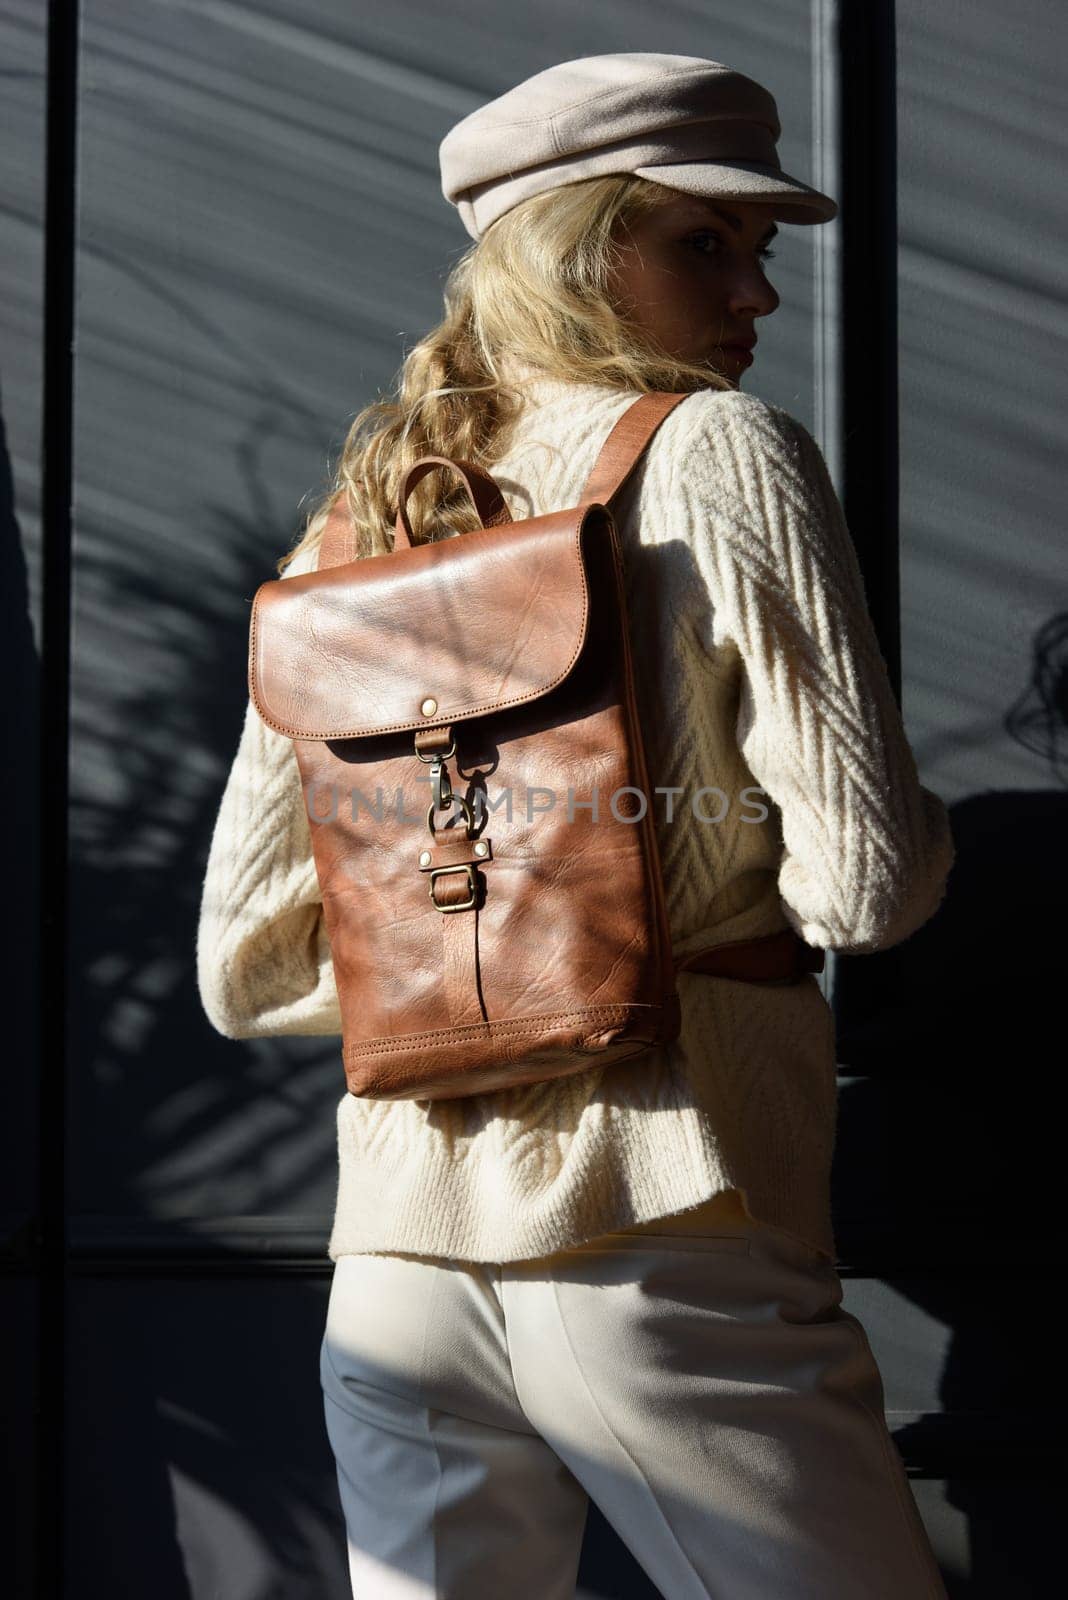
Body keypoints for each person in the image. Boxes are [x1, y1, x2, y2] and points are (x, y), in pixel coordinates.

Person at [196, 52, 955, 1600]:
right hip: (664, 1210)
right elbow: (867, 884)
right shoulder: (721, 452)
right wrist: (620, 964)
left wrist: (497, 976)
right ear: (576, 242)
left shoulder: (368, 509)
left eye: (762, 252)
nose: (760, 296)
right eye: (704, 243)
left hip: (396, 1254)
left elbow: (245, 967)